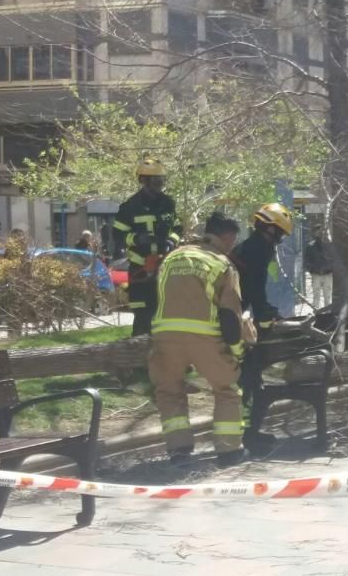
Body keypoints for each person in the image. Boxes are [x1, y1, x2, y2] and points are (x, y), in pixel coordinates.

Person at [149, 212, 254, 467]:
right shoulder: (221, 263)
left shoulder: (172, 258)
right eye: (233, 239)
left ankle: (179, 450)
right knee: (226, 390)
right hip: (204, 336)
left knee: (169, 390)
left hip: (165, 335)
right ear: (227, 236)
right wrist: (238, 350)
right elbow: (230, 316)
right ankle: (229, 452)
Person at [229, 202, 294, 450]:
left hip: (235, 314)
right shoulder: (259, 249)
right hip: (235, 319)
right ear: (270, 229)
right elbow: (254, 289)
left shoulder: (252, 246)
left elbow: (254, 289)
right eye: (279, 233)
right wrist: (266, 319)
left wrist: (265, 311)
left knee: (249, 379)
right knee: (249, 379)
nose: (279, 240)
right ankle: (246, 435)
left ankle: (245, 434)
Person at [113, 159, 180, 336]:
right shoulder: (129, 207)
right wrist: (137, 239)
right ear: (143, 181)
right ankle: (139, 359)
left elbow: (178, 228)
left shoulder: (168, 203)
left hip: (165, 266)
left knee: (167, 313)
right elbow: (117, 236)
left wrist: (171, 241)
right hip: (140, 269)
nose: (160, 185)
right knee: (143, 316)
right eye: (156, 181)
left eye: (162, 181)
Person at [303, 224, 333, 309]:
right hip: (316, 274)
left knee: (327, 296)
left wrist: (330, 268)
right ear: (314, 233)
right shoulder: (310, 246)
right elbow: (306, 260)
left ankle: (328, 314)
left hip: (328, 274)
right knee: (316, 296)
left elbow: (334, 259)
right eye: (317, 231)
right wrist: (312, 270)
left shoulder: (329, 245)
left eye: (321, 231)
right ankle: (316, 314)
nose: (319, 233)